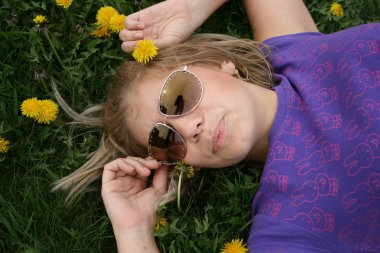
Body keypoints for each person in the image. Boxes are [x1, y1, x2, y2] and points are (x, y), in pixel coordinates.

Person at [54, 0, 380, 252]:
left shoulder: (289, 52)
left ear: (219, 64)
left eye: (178, 97)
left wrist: (190, 7)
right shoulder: (293, 217)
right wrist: (133, 233)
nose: (188, 128)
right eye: (165, 139)